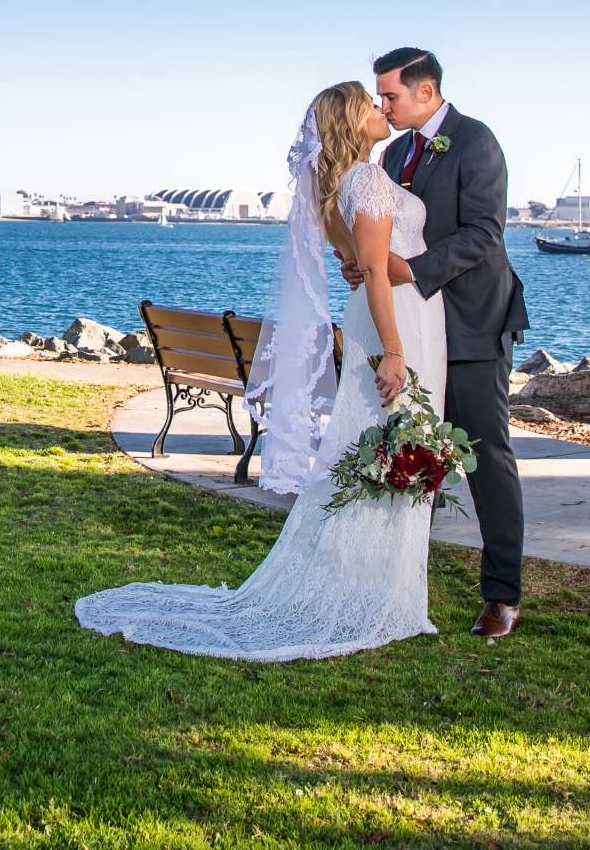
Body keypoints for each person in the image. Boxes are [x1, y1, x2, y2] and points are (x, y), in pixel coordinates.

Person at [72, 81, 448, 660]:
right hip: (397, 321)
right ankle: (385, 594)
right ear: (352, 120)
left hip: (391, 316)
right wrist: (394, 350)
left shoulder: (336, 188)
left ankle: (383, 584)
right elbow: (374, 272)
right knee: (392, 438)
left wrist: (384, 275)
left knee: (380, 441)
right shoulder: (367, 179)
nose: (382, 109)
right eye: (371, 104)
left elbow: (360, 262)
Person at [348, 47, 528, 640]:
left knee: (486, 462)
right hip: (415, 330)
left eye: (391, 96)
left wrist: (410, 269)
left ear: (426, 92)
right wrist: (367, 266)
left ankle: (502, 596)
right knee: (406, 452)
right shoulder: (393, 152)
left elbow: (485, 234)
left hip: (473, 324)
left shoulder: (476, 142)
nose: (383, 107)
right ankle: (399, 581)